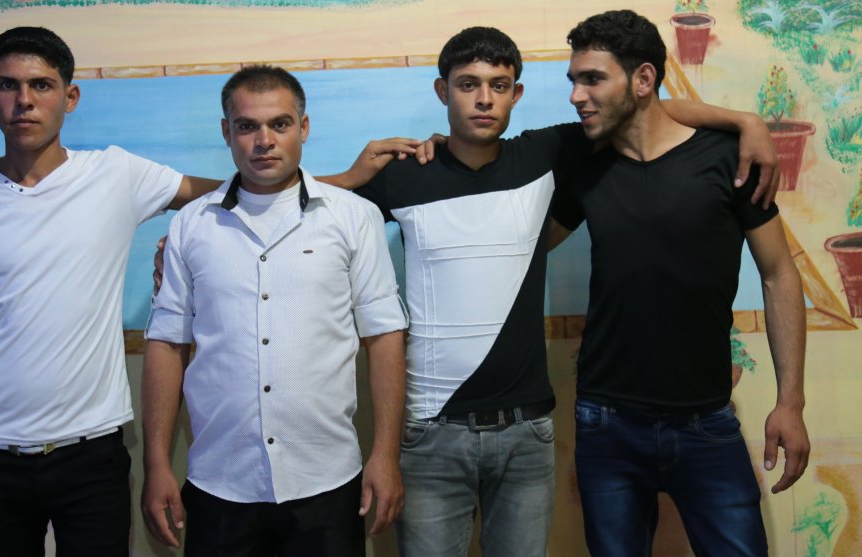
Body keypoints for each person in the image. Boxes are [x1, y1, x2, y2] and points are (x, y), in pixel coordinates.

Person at [150, 27, 780, 556]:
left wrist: (742, 121)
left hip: (528, 433)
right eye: (468, 84)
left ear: (517, 94)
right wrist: (208, 233)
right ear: (441, 91)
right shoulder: (403, 173)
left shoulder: (550, 153)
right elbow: (299, 204)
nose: (483, 99)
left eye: (499, 85)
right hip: (431, 435)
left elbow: (639, 110)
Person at [0, 26, 221, 556]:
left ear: (70, 96)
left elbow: (236, 191)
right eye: (8, 85)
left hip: (91, 453)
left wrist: (345, 181)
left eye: (41, 85)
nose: (24, 100)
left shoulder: (116, 174)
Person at [548, 10, 810, 556]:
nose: (576, 95)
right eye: (573, 80)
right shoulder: (585, 166)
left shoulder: (728, 159)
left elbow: (778, 273)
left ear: (643, 79)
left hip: (706, 421)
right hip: (605, 422)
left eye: (592, 79)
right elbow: (525, 248)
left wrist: (790, 402)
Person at [140, 65, 408, 557]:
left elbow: (384, 335)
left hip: (327, 481)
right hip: (219, 482)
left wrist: (386, 455)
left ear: (303, 127)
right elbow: (166, 344)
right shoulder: (192, 225)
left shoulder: (353, 217)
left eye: (279, 124)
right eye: (247, 126)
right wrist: (156, 464)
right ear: (227, 131)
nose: (264, 140)